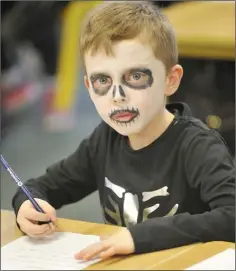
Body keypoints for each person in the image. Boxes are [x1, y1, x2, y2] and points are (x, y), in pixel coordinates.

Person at [12, 1, 235, 261]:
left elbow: (231, 216)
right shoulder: (104, 141)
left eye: (136, 77)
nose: (117, 96)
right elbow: (40, 187)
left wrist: (138, 236)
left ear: (171, 80)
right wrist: (26, 205)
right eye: (103, 81)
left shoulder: (197, 146)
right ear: (88, 86)